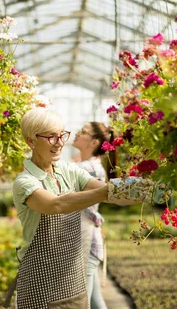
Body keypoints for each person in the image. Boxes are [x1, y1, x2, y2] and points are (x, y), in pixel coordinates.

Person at [6, 107, 154, 309]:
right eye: (51, 137)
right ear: (30, 141)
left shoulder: (68, 170)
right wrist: (108, 192)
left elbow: (111, 194)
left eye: (61, 135)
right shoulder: (25, 181)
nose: (59, 143)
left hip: (73, 281)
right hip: (39, 285)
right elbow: (56, 204)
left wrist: (145, 190)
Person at [73, 122, 114, 309]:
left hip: (85, 241)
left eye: (83, 132)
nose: (77, 134)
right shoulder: (92, 166)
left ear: (94, 142)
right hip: (88, 239)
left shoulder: (85, 168)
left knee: (83, 303)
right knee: (96, 302)